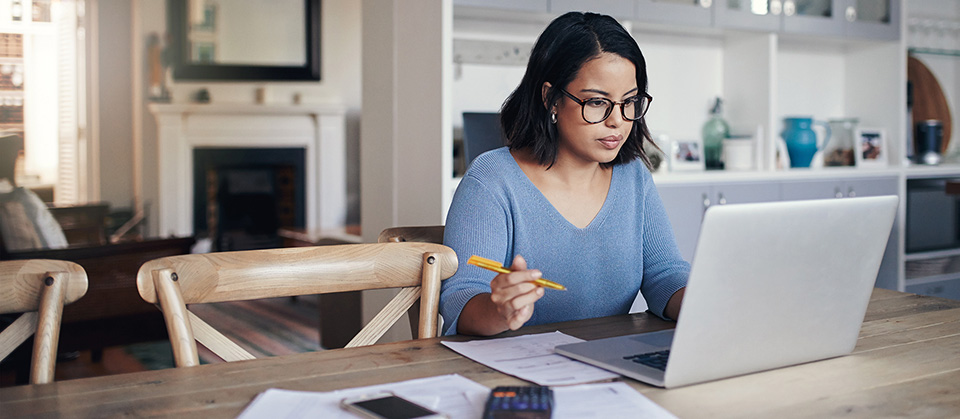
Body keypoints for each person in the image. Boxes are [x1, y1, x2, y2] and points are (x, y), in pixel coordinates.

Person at [440, 12, 689, 336]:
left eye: (630, 102)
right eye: (598, 102)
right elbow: (461, 302)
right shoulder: (492, 180)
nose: (617, 120)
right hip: (511, 375)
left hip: (606, 366)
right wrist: (499, 309)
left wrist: (708, 302)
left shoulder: (633, 178)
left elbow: (664, 275)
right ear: (551, 98)